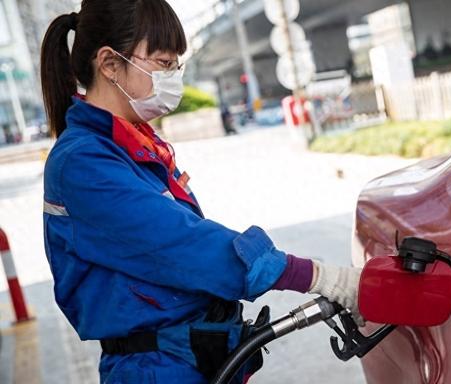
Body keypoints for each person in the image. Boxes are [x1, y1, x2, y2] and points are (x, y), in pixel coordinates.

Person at [40, 1, 362, 383]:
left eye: (177, 64)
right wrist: (318, 277)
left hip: (189, 360)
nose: (173, 76)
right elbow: (183, 244)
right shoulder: (83, 164)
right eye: (162, 63)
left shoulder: (133, 146)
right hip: (155, 370)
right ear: (109, 65)